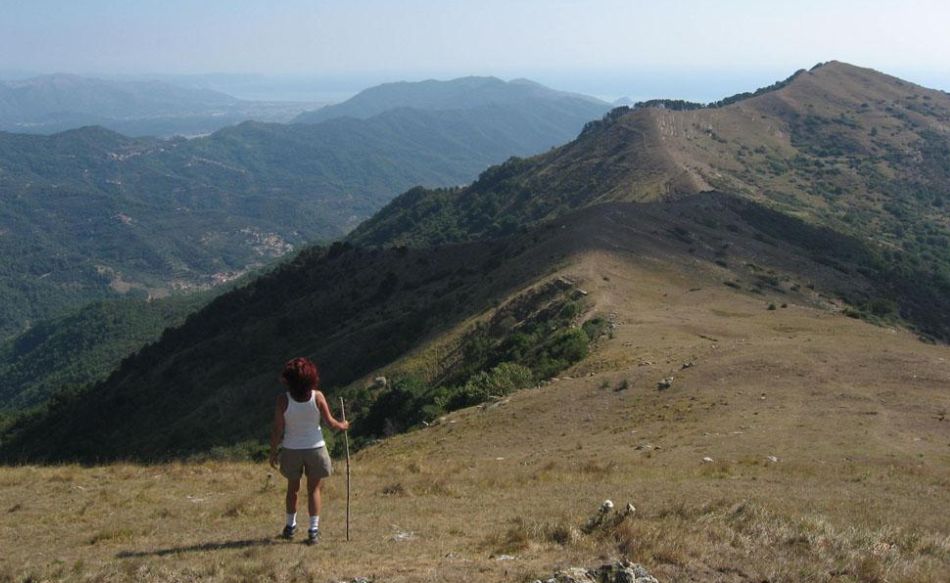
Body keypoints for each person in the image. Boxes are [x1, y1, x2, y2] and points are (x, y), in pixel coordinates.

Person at [269, 357, 349, 545]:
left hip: (291, 449)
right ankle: (313, 530)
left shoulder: (283, 400)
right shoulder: (318, 396)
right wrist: (343, 425)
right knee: (314, 490)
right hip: (316, 448)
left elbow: (277, 429)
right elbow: (330, 423)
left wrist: (273, 451)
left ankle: (290, 527)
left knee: (292, 489)